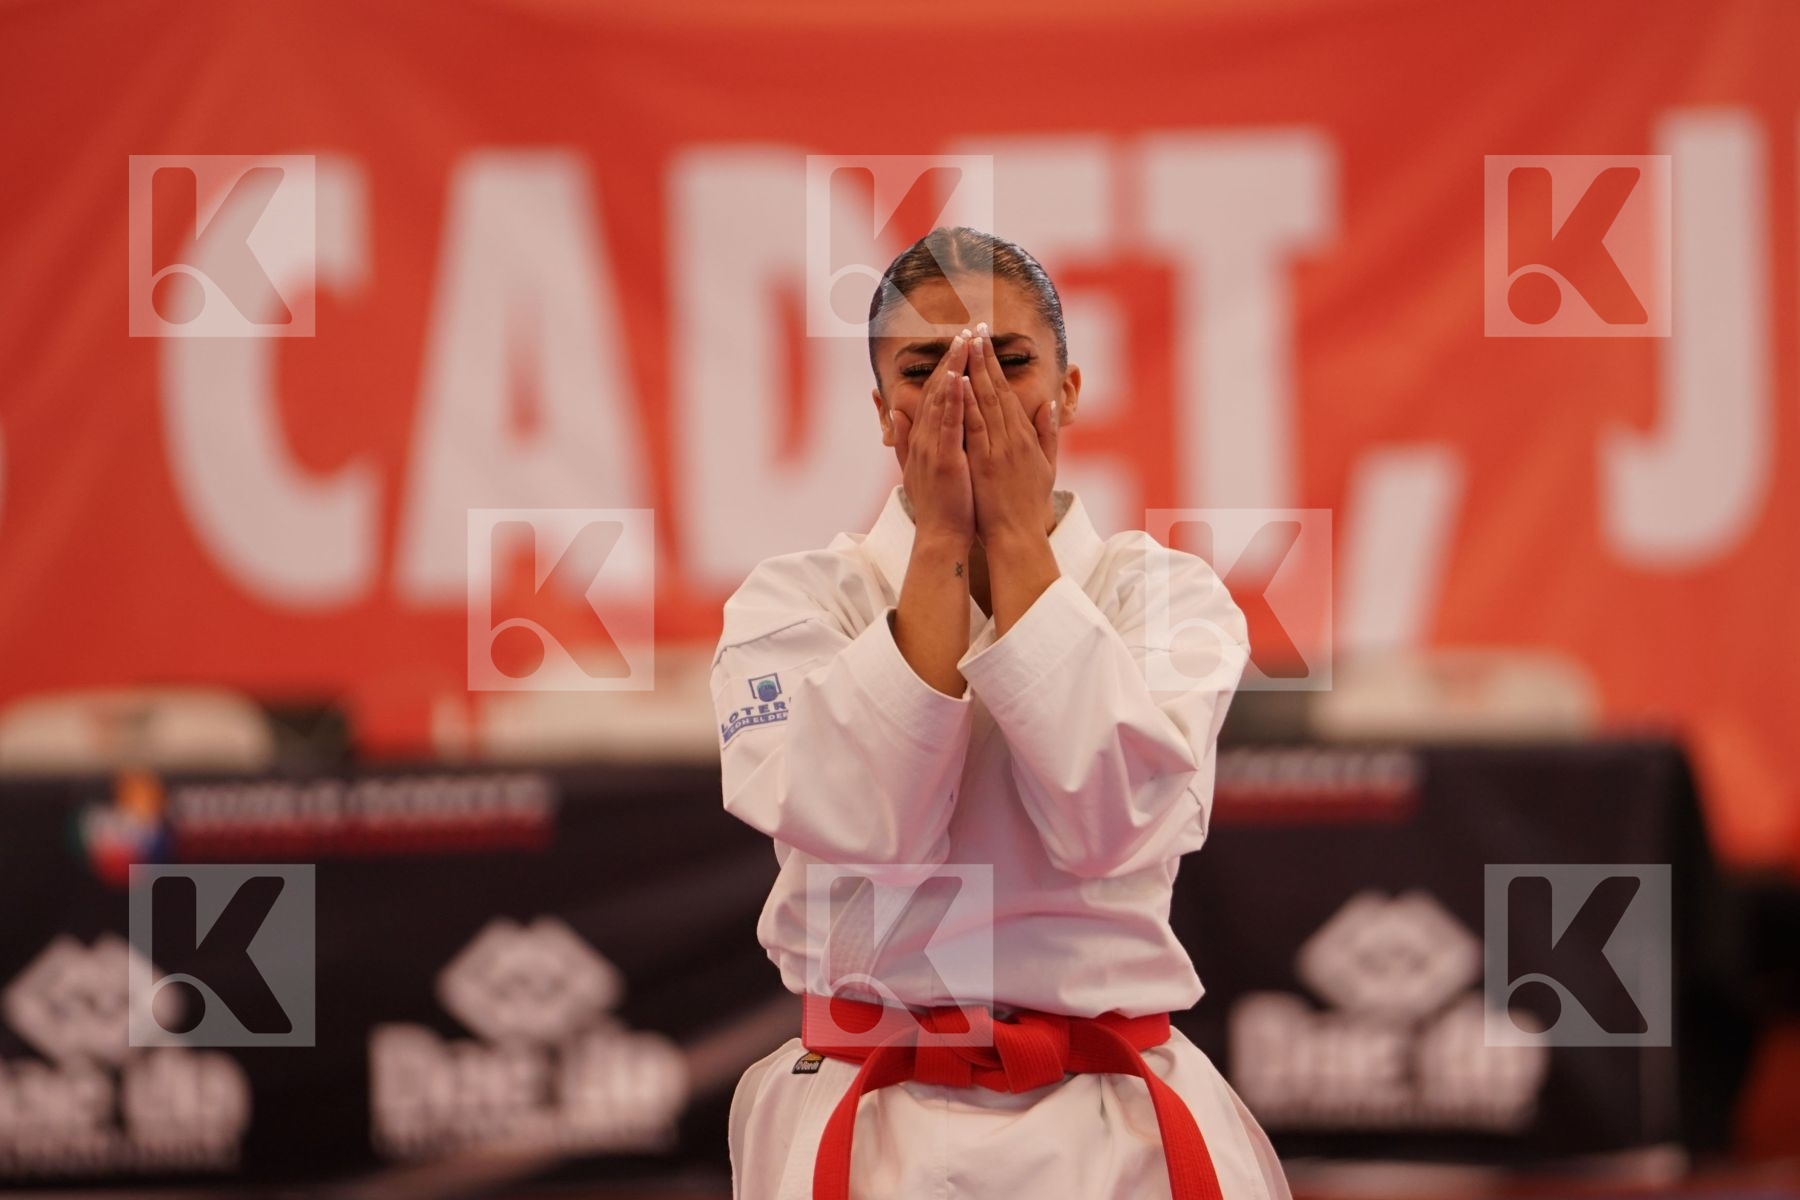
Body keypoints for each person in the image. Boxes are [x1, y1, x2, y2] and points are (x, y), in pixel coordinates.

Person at [711, 227, 1287, 1200]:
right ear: (882, 408)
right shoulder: (791, 603)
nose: (964, 391)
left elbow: (1109, 826)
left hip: (1117, 1124)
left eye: (1006, 361)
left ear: (1068, 388)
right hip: (865, 1108)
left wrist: (1018, 536)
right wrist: (939, 545)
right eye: (925, 365)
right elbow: (869, 833)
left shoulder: (1171, 597)